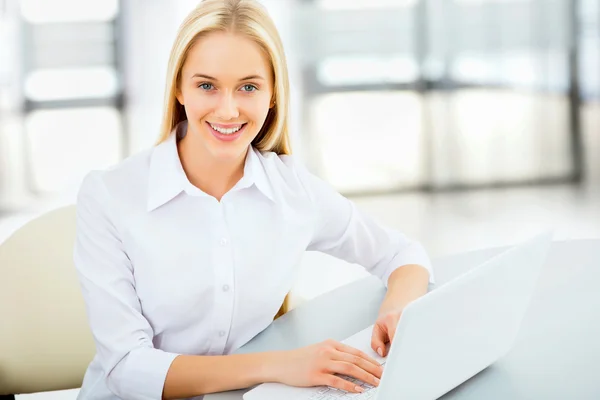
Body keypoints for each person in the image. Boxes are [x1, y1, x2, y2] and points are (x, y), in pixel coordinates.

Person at [73, 0, 435, 399]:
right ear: (179, 87)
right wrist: (282, 365)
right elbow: (127, 369)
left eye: (248, 87)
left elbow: (404, 255)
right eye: (206, 85)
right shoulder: (109, 196)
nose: (228, 111)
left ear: (273, 93)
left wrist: (397, 313)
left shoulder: (292, 190)